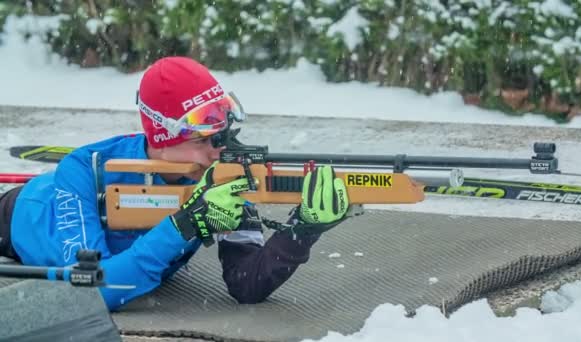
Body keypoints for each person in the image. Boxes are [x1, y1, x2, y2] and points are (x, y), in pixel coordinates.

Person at [0, 56, 350, 311]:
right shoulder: (83, 168)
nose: (219, 152)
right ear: (162, 138)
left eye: (224, 137)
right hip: (18, 217)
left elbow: (247, 285)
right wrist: (184, 227)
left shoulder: (221, 172)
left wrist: (301, 231)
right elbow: (98, 290)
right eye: (204, 141)